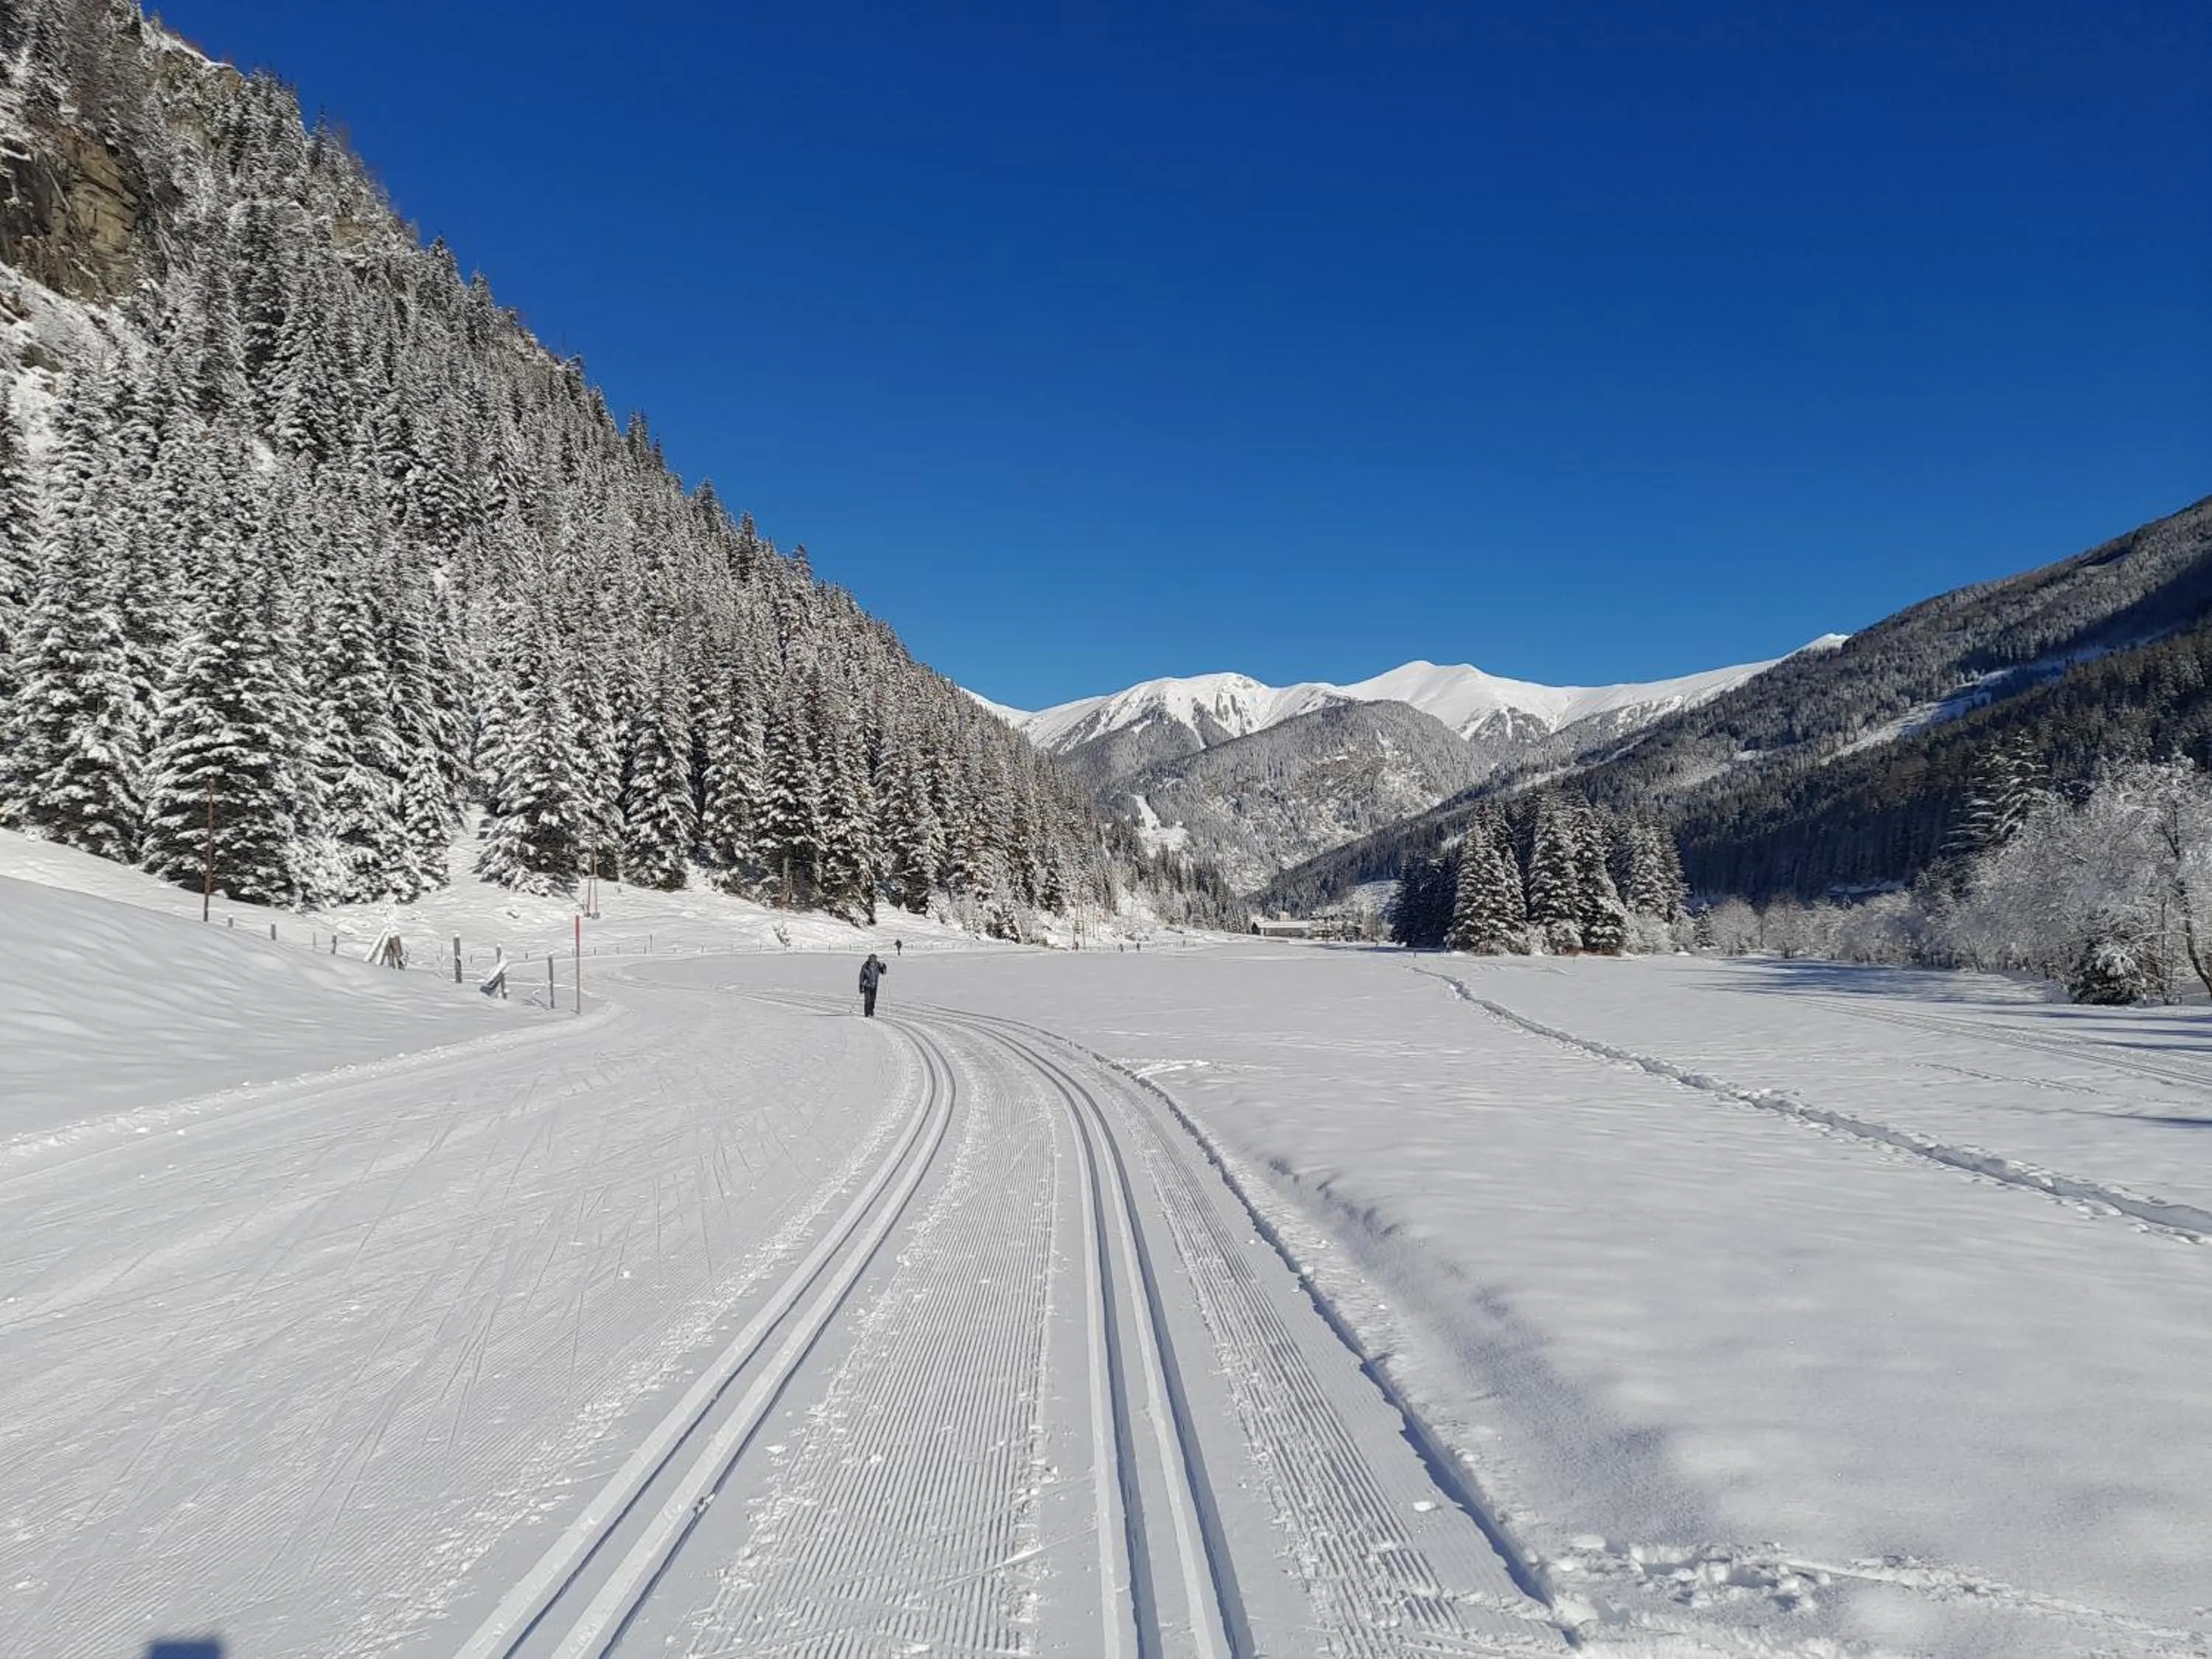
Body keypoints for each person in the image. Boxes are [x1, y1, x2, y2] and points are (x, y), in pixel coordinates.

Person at [859, 951, 888, 1018]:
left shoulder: (878, 965)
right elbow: (861, 976)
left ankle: (871, 1012)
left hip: (874, 985)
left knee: (873, 1000)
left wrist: (884, 967)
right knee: (868, 1000)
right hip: (867, 985)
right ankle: (867, 1013)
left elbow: (883, 972)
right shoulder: (865, 967)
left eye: (874, 961)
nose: (872, 962)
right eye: (871, 961)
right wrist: (861, 986)